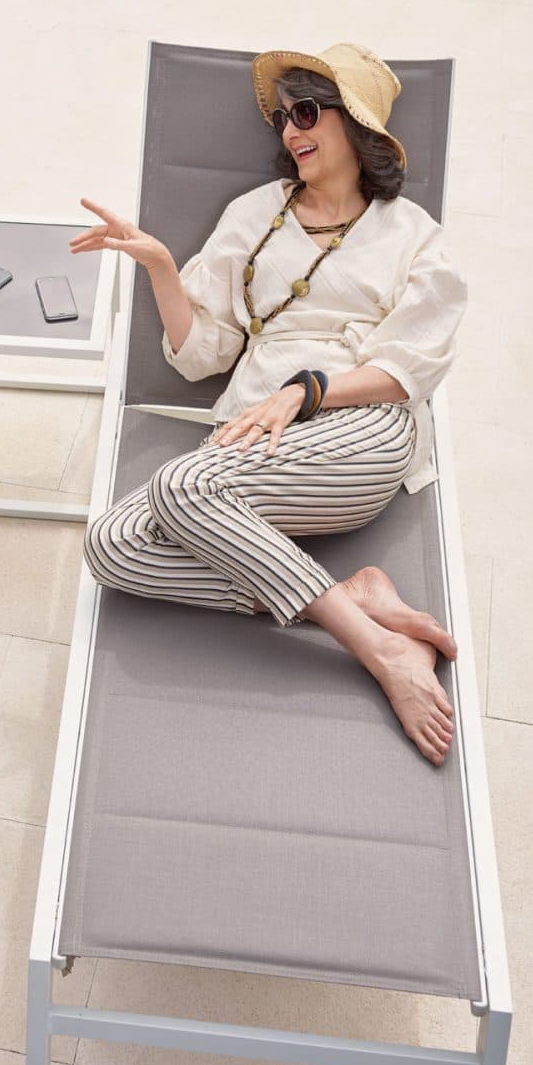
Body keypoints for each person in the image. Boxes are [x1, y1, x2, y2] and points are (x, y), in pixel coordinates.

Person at [74, 44, 467, 767]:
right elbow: (205, 353)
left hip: (360, 427)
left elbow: (411, 367)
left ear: (359, 128)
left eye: (309, 112)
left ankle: (376, 650)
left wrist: (308, 389)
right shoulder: (255, 212)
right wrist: (162, 265)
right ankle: (356, 599)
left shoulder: (416, 237)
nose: (291, 131)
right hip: (253, 431)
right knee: (112, 546)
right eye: (284, 118)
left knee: (181, 485)